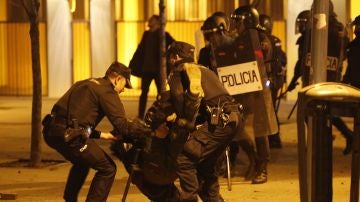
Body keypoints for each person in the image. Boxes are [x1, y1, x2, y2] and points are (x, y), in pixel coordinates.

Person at [42, 61, 147, 202]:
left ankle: (70, 199)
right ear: (118, 79)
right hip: (70, 136)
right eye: (124, 86)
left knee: (83, 161)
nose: (123, 90)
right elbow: (123, 126)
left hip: (51, 131)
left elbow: (76, 121)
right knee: (108, 168)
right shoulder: (108, 92)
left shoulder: (87, 83)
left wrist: (104, 135)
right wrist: (145, 134)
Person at [167, 41, 243, 201]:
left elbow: (182, 109)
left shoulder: (178, 72)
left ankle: (189, 198)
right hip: (233, 119)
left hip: (219, 122)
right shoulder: (204, 69)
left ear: (174, 57)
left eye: (169, 58)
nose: (169, 62)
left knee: (184, 159)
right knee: (205, 166)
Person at [198, 13, 258, 181]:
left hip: (240, 96)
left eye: (212, 34)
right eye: (207, 35)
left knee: (241, 132)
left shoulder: (235, 47)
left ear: (222, 31)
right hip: (216, 97)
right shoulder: (205, 52)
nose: (210, 39)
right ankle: (217, 165)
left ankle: (255, 161)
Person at [288, 6, 352, 155]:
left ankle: (324, 139)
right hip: (331, 77)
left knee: (311, 111)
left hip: (316, 79)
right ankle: (335, 137)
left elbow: (303, 60)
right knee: (326, 110)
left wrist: (295, 79)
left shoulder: (315, 32)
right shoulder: (338, 30)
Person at [230, 5, 277, 184]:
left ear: (246, 21)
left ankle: (262, 167)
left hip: (258, 89)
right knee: (236, 126)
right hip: (242, 89)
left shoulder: (259, 37)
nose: (234, 24)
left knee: (260, 128)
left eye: (237, 21)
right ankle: (253, 159)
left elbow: (259, 57)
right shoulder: (239, 38)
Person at [129, 14, 175, 119]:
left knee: (161, 93)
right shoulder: (146, 34)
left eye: (152, 19)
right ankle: (140, 115)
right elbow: (140, 50)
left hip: (158, 70)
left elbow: (174, 44)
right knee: (144, 93)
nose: (149, 20)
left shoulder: (163, 34)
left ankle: (160, 114)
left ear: (157, 22)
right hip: (146, 69)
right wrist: (133, 63)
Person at [259, 14, 287, 148]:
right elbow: (283, 60)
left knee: (268, 110)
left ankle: (274, 137)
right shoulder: (275, 40)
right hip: (274, 79)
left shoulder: (264, 41)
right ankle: (273, 137)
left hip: (269, 79)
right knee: (270, 109)